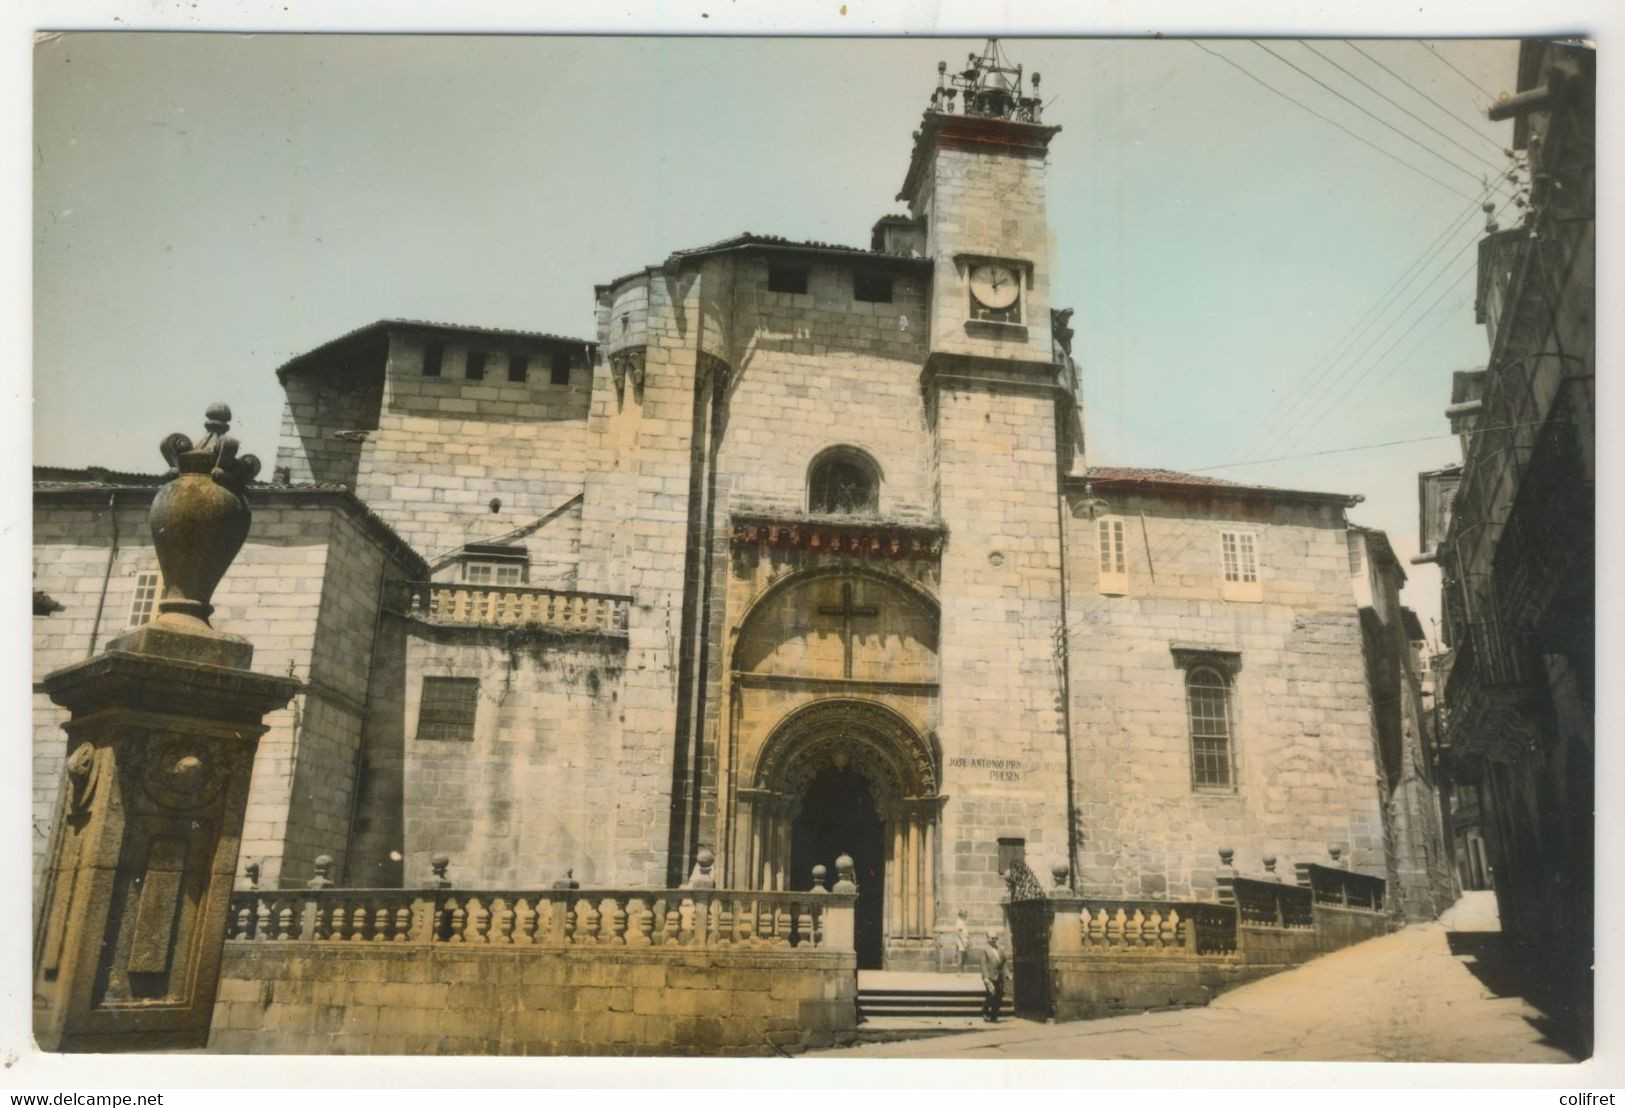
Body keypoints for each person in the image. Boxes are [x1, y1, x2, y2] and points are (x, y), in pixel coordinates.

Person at [980, 931, 1006, 1022]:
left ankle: (994, 1015)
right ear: (988, 939)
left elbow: (1003, 962)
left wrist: (1007, 974)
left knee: (999, 996)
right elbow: (983, 964)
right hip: (989, 977)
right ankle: (985, 1011)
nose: (994, 940)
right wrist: (986, 978)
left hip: (999, 976)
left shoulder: (1000, 949)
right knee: (991, 995)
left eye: (996, 938)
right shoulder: (985, 950)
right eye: (992, 938)